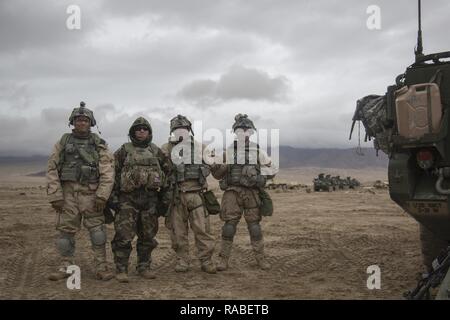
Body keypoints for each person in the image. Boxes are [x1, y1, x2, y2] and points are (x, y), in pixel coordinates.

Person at [46, 101, 115, 281]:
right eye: (78, 120)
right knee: (65, 232)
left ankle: (101, 266)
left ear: (91, 122)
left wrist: (102, 195)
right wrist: (55, 195)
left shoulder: (99, 144)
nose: (82, 123)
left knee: (98, 232)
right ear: (72, 122)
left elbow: (107, 171)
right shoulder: (63, 142)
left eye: (85, 120)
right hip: (68, 195)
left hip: (91, 195)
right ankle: (66, 266)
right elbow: (52, 169)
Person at [212, 114, 276, 271]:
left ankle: (260, 259)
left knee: (254, 226)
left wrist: (262, 177)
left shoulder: (258, 151)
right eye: (240, 130)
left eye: (247, 130)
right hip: (232, 192)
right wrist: (217, 166)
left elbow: (272, 169)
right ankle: (223, 260)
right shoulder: (227, 152)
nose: (244, 132)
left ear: (251, 132)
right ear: (236, 132)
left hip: (252, 193)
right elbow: (217, 174)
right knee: (229, 226)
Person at [111, 117, 171, 283]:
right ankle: (121, 268)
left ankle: (144, 266)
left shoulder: (156, 151)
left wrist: (164, 201)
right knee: (123, 236)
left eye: (145, 129)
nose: (141, 131)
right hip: (127, 200)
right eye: (138, 129)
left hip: (150, 200)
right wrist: (113, 199)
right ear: (133, 132)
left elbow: (168, 176)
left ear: (149, 132)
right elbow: (112, 174)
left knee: (148, 236)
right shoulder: (124, 150)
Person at [161, 115, 218, 274]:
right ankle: (182, 260)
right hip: (176, 196)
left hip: (197, 195)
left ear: (189, 130)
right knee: (178, 232)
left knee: (203, 230)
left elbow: (216, 168)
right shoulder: (165, 149)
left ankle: (206, 260)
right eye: (177, 129)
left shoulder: (201, 148)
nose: (181, 132)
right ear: (172, 131)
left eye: (184, 129)